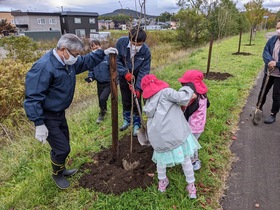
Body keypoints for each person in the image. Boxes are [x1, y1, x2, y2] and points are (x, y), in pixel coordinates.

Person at [23, 33, 117, 189]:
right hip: (47, 115)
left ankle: (61, 168)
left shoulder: (68, 62)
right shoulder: (44, 67)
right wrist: (39, 123)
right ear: (63, 50)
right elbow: (33, 97)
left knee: (64, 144)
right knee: (62, 148)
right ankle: (57, 174)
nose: (77, 57)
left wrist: (102, 53)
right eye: (75, 54)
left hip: (60, 113)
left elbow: (85, 61)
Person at [141, 74, 201, 198]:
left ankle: (162, 182)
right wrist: (188, 90)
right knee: (186, 158)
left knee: (161, 161)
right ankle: (191, 187)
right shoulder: (166, 92)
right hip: (175, 133)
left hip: (158, 138)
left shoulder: (148, 102)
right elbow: (182, 97)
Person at [115, 27, 151, 136]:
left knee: (136, 100)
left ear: (143, 42)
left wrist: (138, 87)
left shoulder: (146, 52)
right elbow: (116, 60)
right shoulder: (121, 43)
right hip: (124, 76)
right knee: (126, 99)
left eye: (139, 44)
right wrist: (125, 73)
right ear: (129, 39)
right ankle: (126, 119)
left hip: (137, 77)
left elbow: (144, 71)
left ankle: (137, 123)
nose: (136, 46)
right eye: (134, 43)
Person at [178, 70, 210, 171]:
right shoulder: (203, 95)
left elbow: (186, 112)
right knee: (194, 143)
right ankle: (193, 160)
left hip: (192, 126)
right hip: (199, 125)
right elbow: (208, 104)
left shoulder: (194, 98)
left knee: (190, 145)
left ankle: (193, 163)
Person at [257, 20, 280, 124]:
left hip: (279, 75)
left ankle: (273, 114)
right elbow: (265, 51)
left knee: (276, 95)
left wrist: (277, 63)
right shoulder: (273, 39)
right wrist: (270, 61)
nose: (278, 30)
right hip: (269, 72)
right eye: (278, 28)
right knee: (263, 91)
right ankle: (258, 108)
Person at [85, 40, 111, 123]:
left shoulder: (107, 57)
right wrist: (90, 78)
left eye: (96, 46)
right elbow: (91, 71)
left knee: (103, 98)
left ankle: (103, 113)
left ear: (100, 46)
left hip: (109, 83)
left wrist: (115, 80)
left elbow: (114, 69)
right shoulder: (92, 59)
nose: (95, 48)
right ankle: (103, 112)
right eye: (92, 47)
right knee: (100, 100)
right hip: (99, 83)